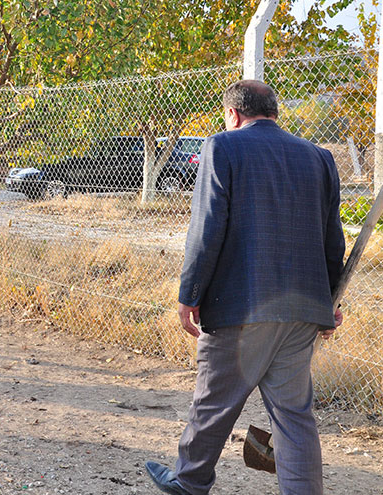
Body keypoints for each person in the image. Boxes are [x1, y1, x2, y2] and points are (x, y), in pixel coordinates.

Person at [144, 80, 345, 495]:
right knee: (294, 417)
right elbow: (332, 240)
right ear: (274, 112)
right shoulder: (320, 157)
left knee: (213, 403)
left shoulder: (222, 147)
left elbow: (207, 228)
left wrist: (190, 294)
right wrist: (327, 302)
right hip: (302, 311)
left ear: (233, 114)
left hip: (240, 308)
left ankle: (189, 480)